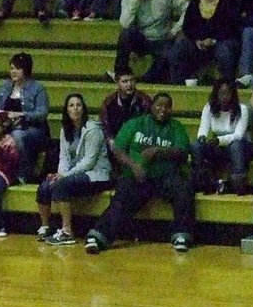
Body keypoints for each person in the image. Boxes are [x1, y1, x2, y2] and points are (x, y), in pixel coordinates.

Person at [84, 92, 196, 253]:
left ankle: (181, 235)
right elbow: (118, 149)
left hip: (165, 176)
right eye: (159, 105)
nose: (162, 109)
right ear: (151, 106)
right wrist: (134, 166)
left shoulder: (176, 127)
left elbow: (182, 152)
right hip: (136, 176)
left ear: (171, 110)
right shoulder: (135, 124)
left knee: (183, 188)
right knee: (122, 198)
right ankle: (99, 236)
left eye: (166, 106)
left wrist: (159, 151)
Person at [36, 93, 112, 245]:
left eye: (79, 105)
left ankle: (67, 231)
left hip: (96, 175)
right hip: (75, 173)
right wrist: (60, 173)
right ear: (67, 110)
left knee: (61, 185)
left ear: (83, 109)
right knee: (45, 186)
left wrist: (65, 176)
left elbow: (89, 162)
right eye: (72, 105)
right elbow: (64, 157)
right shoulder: (66, 130)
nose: (75, 108)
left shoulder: (93, 130)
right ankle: (45, 226)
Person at [113, 0, 188, 84]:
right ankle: (120, 73)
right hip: (141, 39)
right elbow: (125, 24)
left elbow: (187, 8)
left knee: (168, 54)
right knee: (125, 34)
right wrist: (135, 1)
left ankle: (146, 80)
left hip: (162, 39)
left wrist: (175, 30)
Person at [168, 0, 241, 84]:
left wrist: (213, 40)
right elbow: (187, 26)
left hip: (221, 41)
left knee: (224, 51)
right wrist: (197, 40)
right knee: (179, 47)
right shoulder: (195, 0)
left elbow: (231, 26)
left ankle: (228, 85)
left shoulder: (227, 0)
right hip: (198, 42)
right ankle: (177, 83)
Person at [0, 52, 50, 183]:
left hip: (32, 129)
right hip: (7, 126)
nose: (13, 72)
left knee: (17, 136)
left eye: (17, 68)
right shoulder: (5, 87)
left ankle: (22, 173)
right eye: (11, 68)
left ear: (26, 70)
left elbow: (42, 113)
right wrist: (3, 118)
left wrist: (22, 116)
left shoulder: (38, 88)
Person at [192, 79, 252, 195]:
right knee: (196, 146)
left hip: (239, 146)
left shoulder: (242, 109)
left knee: (236, 146)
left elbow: (238, 135)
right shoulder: (209, 107)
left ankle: (238, 183)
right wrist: (202, 137)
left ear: (233, 94)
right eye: (221, 93)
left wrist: (219, 140)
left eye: (227, 93)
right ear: (216, 94)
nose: (224, 97)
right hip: (218, 146)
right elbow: (203, 127)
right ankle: (202, 182)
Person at [99, 66, 153, 153]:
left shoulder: (145, 101)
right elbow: (105, 127)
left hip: (138, 146)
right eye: (125, 81)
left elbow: (149, 126)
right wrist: (111, 142)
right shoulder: (108, 102)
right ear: (117, 83)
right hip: (114, 146)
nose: (129, 84)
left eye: (132, 80)